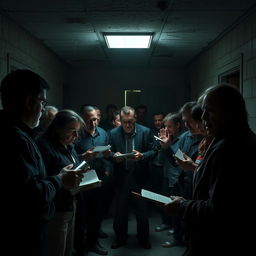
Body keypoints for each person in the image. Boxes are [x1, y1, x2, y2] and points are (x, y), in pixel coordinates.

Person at [164, 84, 256, 255]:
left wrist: (183, 206)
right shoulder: (223, 139)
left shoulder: (231, 148)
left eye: (210, 110)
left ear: (231, 112)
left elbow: (219, 211)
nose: (204, 118)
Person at [0, 69, 84, 256]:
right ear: (30, 102)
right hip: (22, 235)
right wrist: (60, 179)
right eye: (43, 102)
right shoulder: (17, 140)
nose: (44, 109)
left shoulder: (21, 134)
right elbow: (33, 196)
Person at [36, 109, 85, 256]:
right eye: (72, 131)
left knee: (67, 249)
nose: (76, 136)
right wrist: (61, 178)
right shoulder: (44, 146)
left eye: (77, 131)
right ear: (57, 128)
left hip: (71, 203)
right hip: (56, 209)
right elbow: (42, 182)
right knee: (56, 250)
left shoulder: (68, 145)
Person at [109, 106, 156, 249]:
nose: (128, 125)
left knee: (142, 211)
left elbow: (154, 151)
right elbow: (108, 152)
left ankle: (143, 238)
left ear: (135, 118)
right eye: (124, 122)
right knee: (120, 211)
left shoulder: (145, 131)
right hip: (122, 177)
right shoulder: (112, 133)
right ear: (120, 120)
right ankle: (120, 238)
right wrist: (113, 157)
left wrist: (142, 156)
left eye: (131, 121)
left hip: (140, 177)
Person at [75, 105, 112, 255]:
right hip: (81, 180)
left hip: (99, 179)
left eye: (96, 119)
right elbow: (69, 158)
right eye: (90, 120)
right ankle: (80, 246)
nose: (94, 122)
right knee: (81, 215)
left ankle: (93, 243)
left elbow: (108, 154)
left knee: (97, 214)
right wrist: (83, 156)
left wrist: (108, 167)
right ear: (83, 119)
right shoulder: (76, 134)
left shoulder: (103, 133)